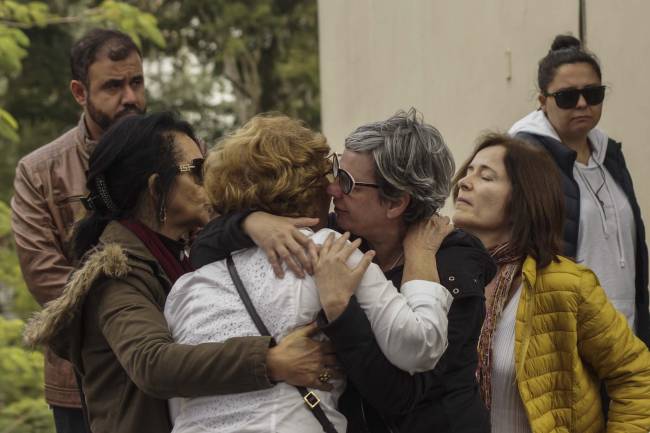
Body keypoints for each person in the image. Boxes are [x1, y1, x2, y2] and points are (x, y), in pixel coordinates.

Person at [23, 112, 341, 433]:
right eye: (197, 171)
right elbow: (152, 362)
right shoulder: (115, 271)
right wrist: (270, 361)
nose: (210, 182)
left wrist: (249, 221)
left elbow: (216, 238)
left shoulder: (172, 250)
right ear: (156, 188)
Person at [191, 109, 496, 432]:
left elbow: (401, 396)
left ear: (395, 203)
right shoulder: (345, 237)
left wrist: (341, 309)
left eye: (348, 182)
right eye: (336, 170)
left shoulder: (455, 263)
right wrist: (252, 223)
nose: (332, 189)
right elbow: (203, 252)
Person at [452, 133, 650, 433]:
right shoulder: (444, 275)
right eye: (468, 171)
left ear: (523, 198)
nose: (465, 182)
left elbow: (636, 374)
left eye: (486, 176)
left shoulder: (565, 284)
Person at [10, 28, 146, 432]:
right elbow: (45, 276)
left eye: (137, 82)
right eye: (113, 86)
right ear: (79, 92)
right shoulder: (39, 171)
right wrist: (134, 321)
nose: (131, 98)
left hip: (169, 366)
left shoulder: (178, 153)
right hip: (81, 377)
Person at [509, 34, 649, 346]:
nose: (583, 103)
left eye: (593, 93)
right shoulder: (526, 157)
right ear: (542, 100)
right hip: (569, 337)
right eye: (567, 97)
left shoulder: (609, 154)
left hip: (626, 332)